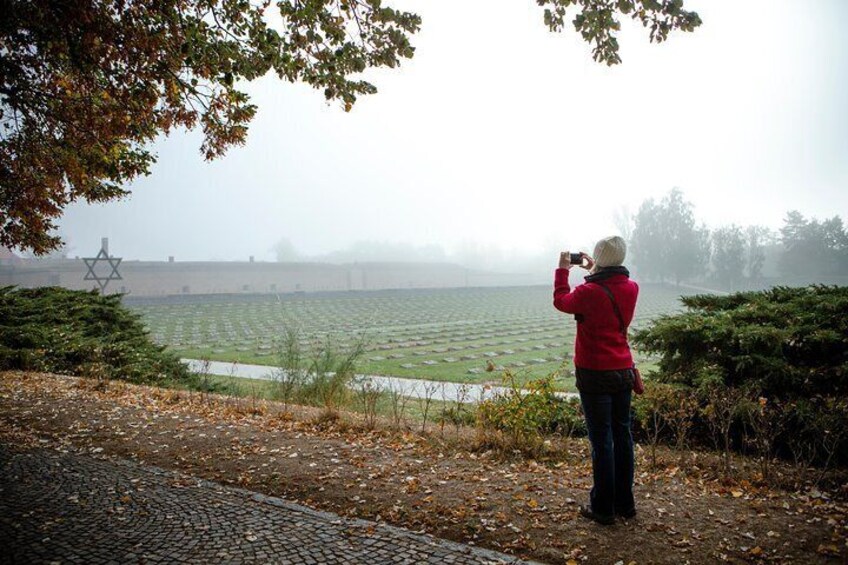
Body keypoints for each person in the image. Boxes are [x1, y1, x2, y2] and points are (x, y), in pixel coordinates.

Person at [553, 235, 639, 525]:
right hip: (623, 370)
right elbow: (608, 289)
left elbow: (561, 301)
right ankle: (625, 504)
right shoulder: (632, 288)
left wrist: (563, 269)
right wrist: (595, 271)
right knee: (622, 436)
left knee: (601, 440)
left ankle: (602, 508)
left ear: (600, 259)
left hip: (594, 372)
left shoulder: (588, 292)